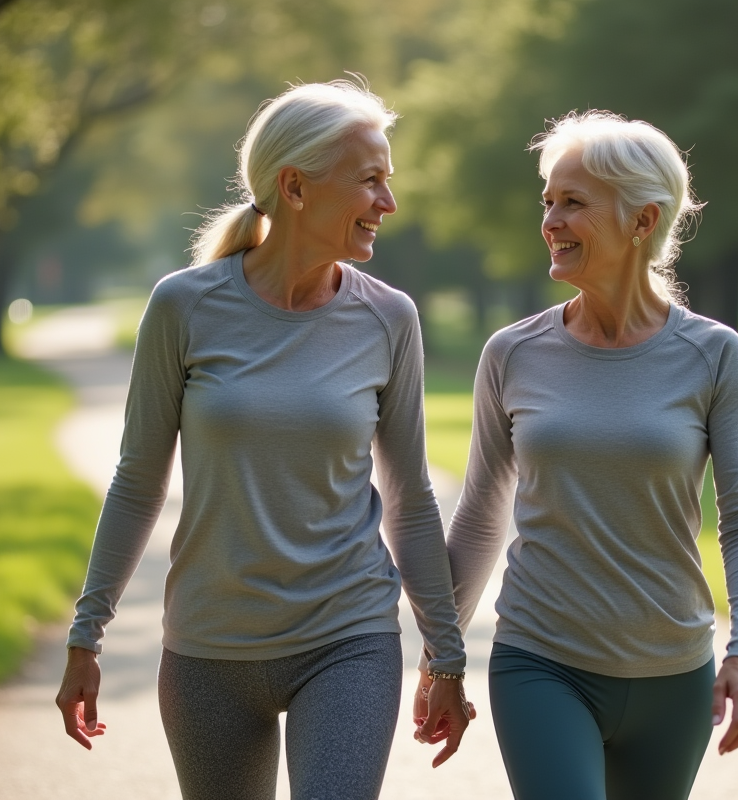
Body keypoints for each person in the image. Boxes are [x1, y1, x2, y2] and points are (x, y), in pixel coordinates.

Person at [55, 80, 473, 800]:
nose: (389, 202)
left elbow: (409, 499)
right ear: (295, 187)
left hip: (349, 637)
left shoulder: (389, 318)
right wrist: (85, 634)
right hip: (210, 648)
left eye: (387, 180)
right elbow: (138, 481)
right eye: (369, 180)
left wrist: (447, 655)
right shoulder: (184, 306)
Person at [427, 111, 738, 800]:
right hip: (540, 662)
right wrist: (443, 657)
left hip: (674, 675)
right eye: (547, 201)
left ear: (643, 220)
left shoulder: (712, 354)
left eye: (573, 202)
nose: (550, 221)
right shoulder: (512, 353)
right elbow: (482, 514)